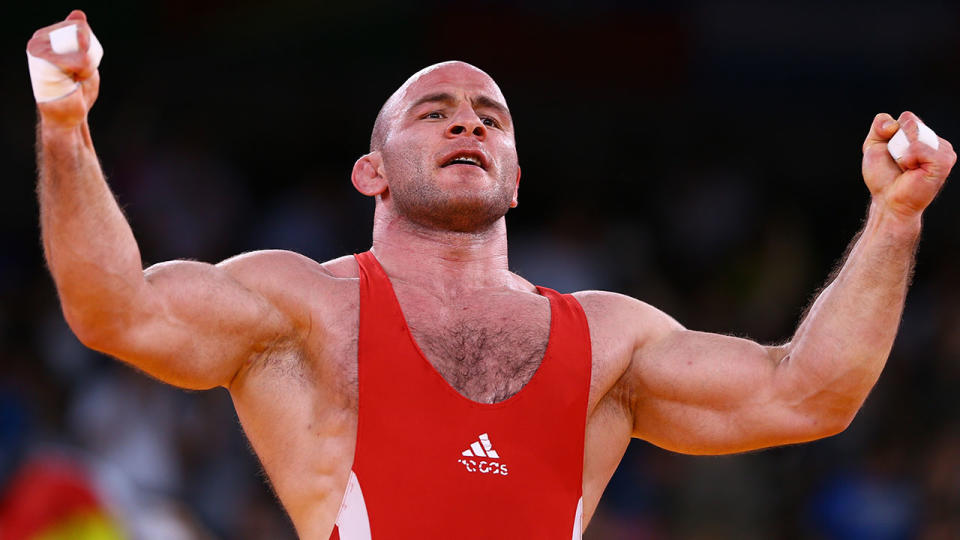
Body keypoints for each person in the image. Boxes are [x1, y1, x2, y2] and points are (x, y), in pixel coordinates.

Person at [29, 10, 956, 540]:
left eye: (491, 116)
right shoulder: (301, 306)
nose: (469, 123)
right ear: (373, 171)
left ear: (516, 178)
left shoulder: (612, 339)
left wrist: (893, 217)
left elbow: (809, 396)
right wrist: (66, 130)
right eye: (435, 111)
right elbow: (115, 309)